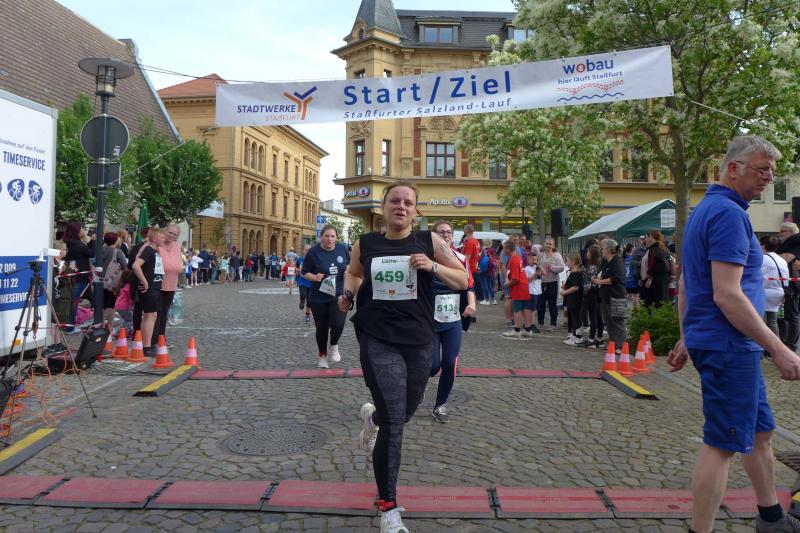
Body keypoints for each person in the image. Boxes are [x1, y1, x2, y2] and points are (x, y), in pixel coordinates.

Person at [667, 136, 800, 533]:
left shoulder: (707, 210)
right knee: (722, 443)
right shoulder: (727, 214)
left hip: (722, 342)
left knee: (761, 432)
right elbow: (726, 294)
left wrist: (688, 334)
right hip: (729, 346)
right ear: (733, 168)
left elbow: (689, 283)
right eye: (762, 169)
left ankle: (771, 518)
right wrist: (779, 348)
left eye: (772, 171)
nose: (769, 177)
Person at [339, 180, 466, 533]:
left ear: (416, 211)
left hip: (419, 338)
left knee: (404, 412)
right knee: (396, 422)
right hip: (378, 336)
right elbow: (353, 273)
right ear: (383, 207)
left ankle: (373, 418)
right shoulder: (366, 243)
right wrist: (347, 294)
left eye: (408, 202)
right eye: (395, 200)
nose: (401, 206)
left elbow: (462, 279)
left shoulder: (430, 242)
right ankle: (389, 507)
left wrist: (432, 266)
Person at [429, 220, 475, 422]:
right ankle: (418, 387)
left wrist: (471, 304)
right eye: (441, 232)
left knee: (449, 363)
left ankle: (440, 405)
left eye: (449, 232)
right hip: (429, 320)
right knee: (431, 366)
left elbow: (469, 286)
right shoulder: (426, 259)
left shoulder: (461, 258)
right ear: (434, 236)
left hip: (452, 320)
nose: (446, 235)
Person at [302, 227, 349, 367]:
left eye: (332, 236)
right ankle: (322, 356)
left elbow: (348, 265)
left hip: (338, 294)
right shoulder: (313, 252)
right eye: (327, 236)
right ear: (321, 237)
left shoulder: (342, 249)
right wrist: (314, 277)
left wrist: (348, 271)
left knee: (338, 323)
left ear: (336, 237)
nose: (330, 239)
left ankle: (334, 345)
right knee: (322, 328)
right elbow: (304, 272)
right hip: (319, 296)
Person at [131, 227, 164, 356]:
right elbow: (135, 265)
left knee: (150, 315)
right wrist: (144, 281)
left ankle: (145, 345)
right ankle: (147, 347)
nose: (164, 239)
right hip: (149, 288)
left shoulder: (155, 251)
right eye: (161, 237)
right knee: (150, 316)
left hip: (154, 287)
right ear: (155, 238)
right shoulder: (149, 250)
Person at [593, 239, 626, 354]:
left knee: (617, 321)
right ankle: (613, 344)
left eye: (602, 248)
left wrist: (600, 281)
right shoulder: (606, 262)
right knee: (608, 322)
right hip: (605, 296)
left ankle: (621, 346)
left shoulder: (618, 262)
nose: (601, 250)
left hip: (616, 296)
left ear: (607, 249)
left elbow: (617, 278)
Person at [63, 221, 94, 332]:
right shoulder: (76, 244)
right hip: (79, 278)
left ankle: (71, 324)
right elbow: (91, 253)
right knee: (74, 302)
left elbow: (85, 251)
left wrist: (90, 242)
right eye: (82, 228)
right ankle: (70, 326)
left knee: (88, 299)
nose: (84, 230)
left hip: (77, 277)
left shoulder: (71, 242)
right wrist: (94, 241)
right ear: (77, 231)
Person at [155, 224, 183, 347]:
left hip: (171, 284)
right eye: (170, 232)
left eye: (174, 234)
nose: (172, 235)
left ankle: (161, 338)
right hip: (158, 283)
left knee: (164, 312)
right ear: (165, 231)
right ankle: (153, 339)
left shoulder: (177, 246)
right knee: (156, 312)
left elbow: (178, 263)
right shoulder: (158, 243)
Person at [501, 240, 535, 339]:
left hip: (518, 288)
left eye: (504, 248)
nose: (503, 250)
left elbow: (515, 279)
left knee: (517, 309)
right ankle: (528, 329)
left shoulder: (513, 260)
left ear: (508, 249)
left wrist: (507, 284)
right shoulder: (517, 258)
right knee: (525, 308)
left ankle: (517, 330)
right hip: (523, 286)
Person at [761, 235, 789, 343]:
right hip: (779, 292)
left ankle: (762, 347)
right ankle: (776, 345)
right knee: (773, 321)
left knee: (761, 321)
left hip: (764, 292)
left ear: (763, 246)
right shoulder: (782, 260)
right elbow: (785, 278)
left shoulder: (761, 258)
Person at [778, 222, 800, 351]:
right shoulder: (789, 242)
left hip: (791, 285)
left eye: (783, 231)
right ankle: (786, 342)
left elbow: (786, 259)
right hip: (786, 283)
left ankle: (791, 345)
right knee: (783, 315)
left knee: (791, 315)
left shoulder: (795, 241)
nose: (780, 234)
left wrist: (773, 257)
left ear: (791, 232)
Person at [100, 232, 127, 333]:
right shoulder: (117, 252)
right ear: (115, 240)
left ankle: (101, 325)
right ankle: (109, 327)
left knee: (102, 304)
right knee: (111, 304)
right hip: (112, 282)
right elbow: (125, 266)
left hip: (99, 280)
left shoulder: (100, 250)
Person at [577, 244, 604, 348]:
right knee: (598, 316)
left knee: (593, 316)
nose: (586, 253)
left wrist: (584, 292)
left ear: (592, 254)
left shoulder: (592, 266)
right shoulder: (597, 264)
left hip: (591, 293)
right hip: (596, 293)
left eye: (588, 252)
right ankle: (599, 338)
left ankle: (591, 339)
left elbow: (588, 282)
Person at [537, 237, 565, 331]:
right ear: (544, 244)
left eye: (550, 244)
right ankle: (540, 323)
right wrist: (538, 272)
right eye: (547, 243)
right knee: (541, 304)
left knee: (552, 304)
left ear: (553, 246)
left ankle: (553, 324)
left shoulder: (557, 255)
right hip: (542, 283)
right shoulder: (540, 255)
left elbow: (561, 268)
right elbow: (536, 266)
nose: (548, 245)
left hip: (552, 282)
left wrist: (551, 267)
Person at [127, 226, 150, 331]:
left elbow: (130, 265)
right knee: (149, 310)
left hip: (137, 280)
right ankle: (146, 331)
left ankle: (137, 331)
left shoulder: (136, 247)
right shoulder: (151, 247)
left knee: (138, 307)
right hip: (147, 279)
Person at [642, 229, 670, 307]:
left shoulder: (654, 249)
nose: (646, 239)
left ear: (652, 238)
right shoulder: (663, 247)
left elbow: (652, 264)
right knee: (663, 301)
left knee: (658, 302)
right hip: (664, 277)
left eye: (648, 237)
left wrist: (649, 277)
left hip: (657, 278)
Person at [561, 253, 584, 346]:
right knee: (573, 318)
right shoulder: (572, 272)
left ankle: (579, 337)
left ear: (573, 262)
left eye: (567, 261)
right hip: (571, 299)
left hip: (575, 300)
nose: (566, 263)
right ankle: (574, 336)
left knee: (576, 318)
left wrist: (564, 292)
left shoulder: (576, 273)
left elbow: (575, 287)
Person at [296, 244, 313, 324]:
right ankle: (302, 300)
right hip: (302, 280)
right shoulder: (300, 259)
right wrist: (297, 270)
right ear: (303, 251)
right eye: (306, 250)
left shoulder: (314, 260)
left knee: (310, 301)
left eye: (309, 250)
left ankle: (307, 315)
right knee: (303, 295)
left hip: (311, 281)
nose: (307, 251)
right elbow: (296, 267)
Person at [524, 253, 543, 323]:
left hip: (538, 291)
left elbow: (544, 273)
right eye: (532, 259)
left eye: (535, 259)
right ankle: (531, 324)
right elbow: (527, 280)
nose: (534, 261)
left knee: (536, 309)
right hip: (532, 291)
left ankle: (530, 323)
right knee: (532, 309)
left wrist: (538, 265)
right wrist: (535, 274)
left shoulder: (537, 267)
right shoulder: (526, 269)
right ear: (528, 260)